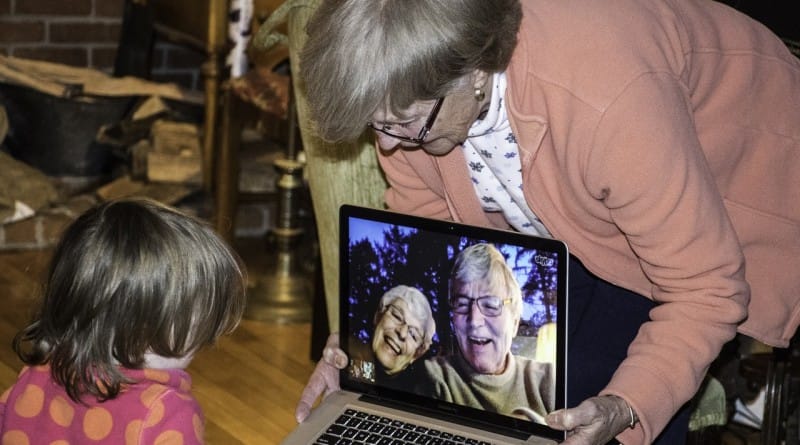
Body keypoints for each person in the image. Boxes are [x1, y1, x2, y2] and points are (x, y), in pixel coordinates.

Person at [295, 0, 800, 444]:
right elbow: (432, 230)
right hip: (581, 219)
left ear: (474, 71)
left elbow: (705, 288)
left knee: (600, 399)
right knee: (513, 399)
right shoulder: (415, 103)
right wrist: (361, 352)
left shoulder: (607, 101)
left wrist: (624, 406)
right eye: (376, 125)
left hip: (730, 188)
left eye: (404, 123)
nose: (388, 145)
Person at [0, 198, 247, 444]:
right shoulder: (166, 412)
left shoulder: (35, 377)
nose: (207, 332)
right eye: (201, 318)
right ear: (145, 325)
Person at [418, 243, 554, 424]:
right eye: (462, 304)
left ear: (514, 323)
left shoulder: (548, 380)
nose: (474, 321)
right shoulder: (435, 376)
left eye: (491, 305)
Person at [348, 285, 436, 385]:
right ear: (378, 315)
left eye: (413, 334)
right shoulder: (345, 354)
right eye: (397, 316)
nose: (402, 333)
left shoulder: (421, 391)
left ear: (416, 355)